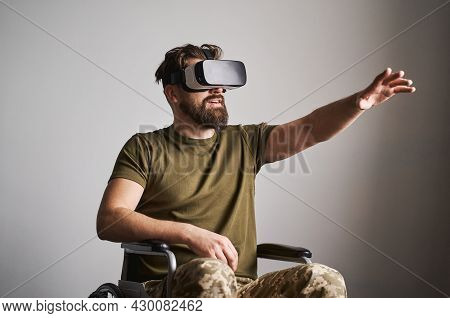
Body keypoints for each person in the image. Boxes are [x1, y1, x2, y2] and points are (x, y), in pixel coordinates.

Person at [96, 44, 416, 298]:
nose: (218, 89)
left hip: (240, 287)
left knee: (324, 281)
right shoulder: (145, 147)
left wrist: (358, 103)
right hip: (164, 288)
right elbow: (111, 219)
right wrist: (187, 233)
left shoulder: (246, 141)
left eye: (221, 81)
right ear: (173, 93)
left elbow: (312, 128)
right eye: (203, 80)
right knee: (211, 274)